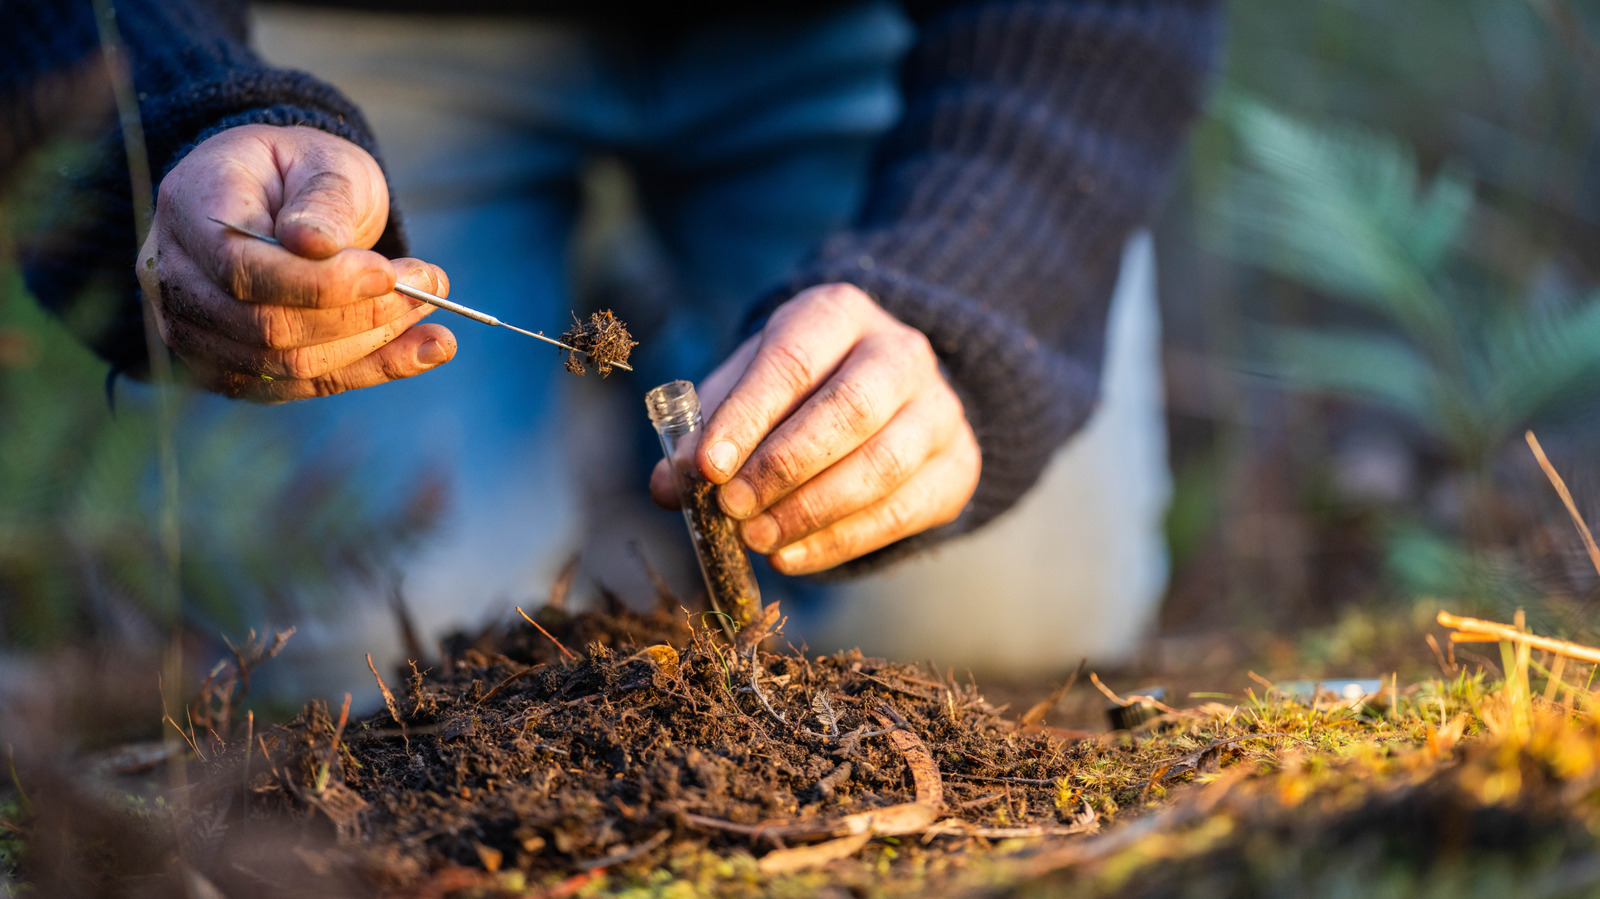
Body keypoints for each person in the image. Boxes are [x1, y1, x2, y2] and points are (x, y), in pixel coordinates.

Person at [12, 0, 1221, 664]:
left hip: (871, 32)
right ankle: (601, 270)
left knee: (993, 621)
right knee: (331, 657)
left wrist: (970, 282)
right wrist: (173, 121)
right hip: (331, 37)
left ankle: (681, 287)